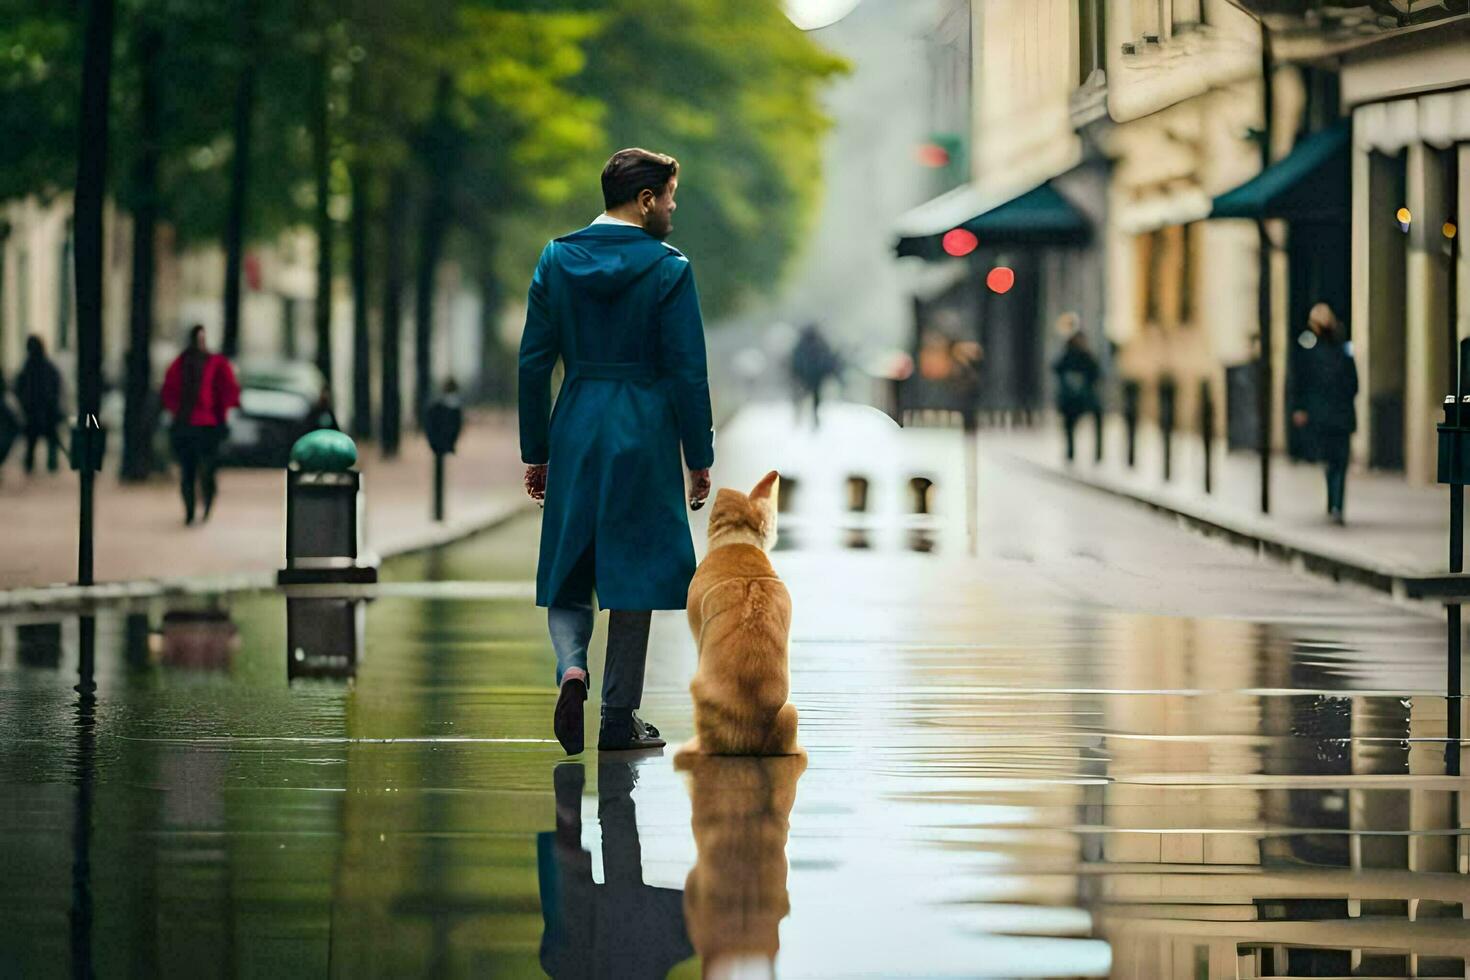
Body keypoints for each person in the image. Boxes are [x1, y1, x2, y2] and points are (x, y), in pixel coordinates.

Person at [519, 147, 714, 755]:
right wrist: (698, 454)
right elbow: (688, 370)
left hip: (577, 421)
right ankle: (617, 716)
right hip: (644, 430)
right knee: (633, 573)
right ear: (646, 199)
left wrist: (537, 448)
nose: (674, 210)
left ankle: (572, 667)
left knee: (568, 566)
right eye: (670, 198)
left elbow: (532, 363)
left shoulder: (556, 257)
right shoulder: (669, 269)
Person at [161, 325, 240, 525]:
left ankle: (205, 505)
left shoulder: (216, 363)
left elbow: (229, 390)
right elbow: (168, 391)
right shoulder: (180, 364)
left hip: (209, 426)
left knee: (207, 469)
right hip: (187, 425)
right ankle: (190, 510)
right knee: (188, 470)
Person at [1290, 302, 1357, 525]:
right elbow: (1353, 384)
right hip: (1339, 414)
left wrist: (1301, 408)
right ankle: (1336, 504)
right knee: (1339, 461)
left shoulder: (1312, 347)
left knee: (1332, 463)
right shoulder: (1341, 348)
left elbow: (1301, 380)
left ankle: (1334, 504)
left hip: (1326, 415)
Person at [1051, 316, 1102, 463]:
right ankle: (1071, 452)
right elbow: (1057, 367)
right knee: (1069, 425)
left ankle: (1095, 454)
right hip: (1071, 399)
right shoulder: (1069, 354)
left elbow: (1095, 372)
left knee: (1094, 418)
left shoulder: (1084, 356)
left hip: (1082, 397)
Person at [14, 335, 63, 474]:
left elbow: (20, 386)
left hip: (38, 411)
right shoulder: (45, 367)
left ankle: (36, 466)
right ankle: (46, 466)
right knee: (43, 442)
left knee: (36, 442)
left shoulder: (29, 367)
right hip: (41, 411)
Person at [789, 322, 841, 427]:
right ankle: (811, 418)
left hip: (806, 377)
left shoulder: (802, 344)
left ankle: (800, 418)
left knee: (801, 397)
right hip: (815, 377)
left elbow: (795, 361)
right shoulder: (820, 343)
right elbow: (828, 360)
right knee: (814, 398)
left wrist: (795, 374)